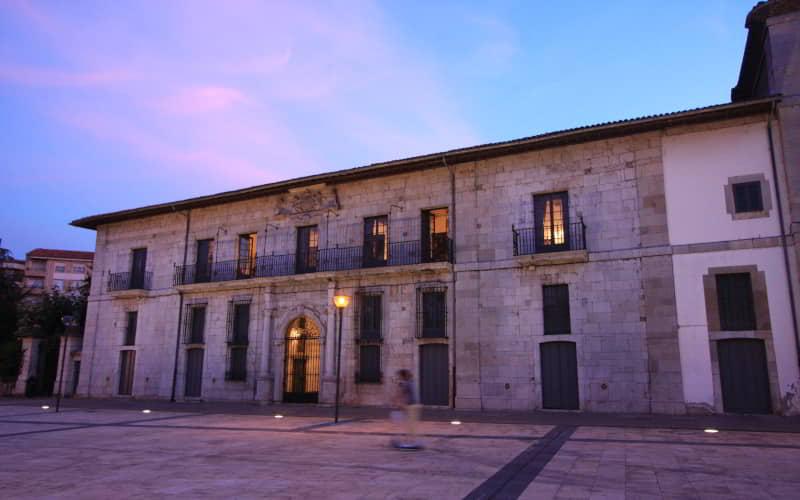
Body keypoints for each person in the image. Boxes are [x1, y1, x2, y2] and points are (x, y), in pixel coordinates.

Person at [390, 369, 422, 450]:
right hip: (413, 406)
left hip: (412, 406)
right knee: (410, 424)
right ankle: (410, 441)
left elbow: (400, 394)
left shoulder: (406, 383)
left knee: (411, 425)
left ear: (402, 376)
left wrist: (396, 403)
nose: (398, 377)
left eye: (399, 376)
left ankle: (413, 442)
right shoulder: (410, 382)